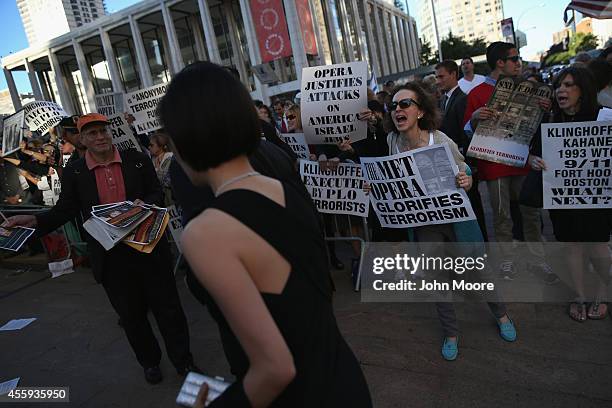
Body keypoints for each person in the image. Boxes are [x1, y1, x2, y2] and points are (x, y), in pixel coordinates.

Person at [159, 61, 372, 407]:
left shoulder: (204, 232)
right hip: (344, 379)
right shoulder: (279, 187)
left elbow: (275, 368)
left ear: (185, 137)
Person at [2, 113, 199, 384]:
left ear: (110, 133)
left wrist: (141, 205)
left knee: (169, 310)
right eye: (92, 133)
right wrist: (34, 219)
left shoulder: (138, 160)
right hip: (111, 257)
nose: (99, 137)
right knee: (131, 316)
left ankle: (183, 361)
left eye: (103, 131)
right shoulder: (75, 171)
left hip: (148, 251)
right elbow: (66, 209)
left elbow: (156, 192)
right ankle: (150, 363)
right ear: (82, 139)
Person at [385, 82, 516, 361]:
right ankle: (451, 333)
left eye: (404, 104)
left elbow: (464, 169)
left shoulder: (440, 139)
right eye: (393, 105)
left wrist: (466, 179)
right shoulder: (392, 142)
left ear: (420, 112)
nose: (397, 109)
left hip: (455, 222)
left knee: (478, 272)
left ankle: (502, 315)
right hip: (423, 224)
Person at [464, 42, 553, 281]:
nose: (519, 63)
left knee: (532, 215)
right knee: (502, 217)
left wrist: (547, 110)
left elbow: (538, 127)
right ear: (500, 63)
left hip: (523, 162)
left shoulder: (530, 89)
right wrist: (474, 119)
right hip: (494, 167)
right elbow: (466, 133)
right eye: (515, 58)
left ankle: (538, 260)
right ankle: (507, 261)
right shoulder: (476, 94)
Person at [529, 66, 611, 321]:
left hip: (597, 197)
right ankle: (579, 295)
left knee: (598, 247)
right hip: (562, 198)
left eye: (568, 85)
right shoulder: (551, 120)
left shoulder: (606, 116)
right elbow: (535, 152)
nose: (561, 90)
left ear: (583, 90)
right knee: (571, 246)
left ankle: (602, 292)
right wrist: (534, 161)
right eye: (559, 85)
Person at [435, 60, 488, 241]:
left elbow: (465, 132)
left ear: (453, 75)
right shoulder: (443, 100)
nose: (437, 81)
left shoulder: (463, 99)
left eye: (441, 76)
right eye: (436, 77)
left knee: (473, 207)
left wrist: (467, 165)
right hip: (448, 163)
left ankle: (483, 248)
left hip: (463, 163)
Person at [148, 132, 174, 207]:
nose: (149, 147)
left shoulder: (170, 158)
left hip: (173, 197)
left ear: (161, 146)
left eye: (151, 145)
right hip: (163, 201)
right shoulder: (151, 160)